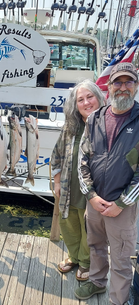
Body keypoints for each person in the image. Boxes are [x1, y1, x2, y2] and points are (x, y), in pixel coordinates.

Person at [75, 62, 139, 305]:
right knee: (95, 246)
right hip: (95, 201)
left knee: (122, 260)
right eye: (117, 82)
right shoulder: (94, 119)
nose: (122, 87)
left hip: (121, 207)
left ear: (135, 86)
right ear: (109, 86)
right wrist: (91, 195)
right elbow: (82, 161)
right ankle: (97, 282)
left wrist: (121, 204)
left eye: (129, 82)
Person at [51, 79, 105, 281]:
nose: (86, 102)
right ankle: (74, 256)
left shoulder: (108, 126)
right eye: (80, 99)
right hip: (68, 189)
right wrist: (57, 182)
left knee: (90, 229)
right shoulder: (70, 128)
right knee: (69, 226)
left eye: (90, 97)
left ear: (99, 98)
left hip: (94, 192)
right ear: (76, 105)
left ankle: (86, 262)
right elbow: (56, 156)